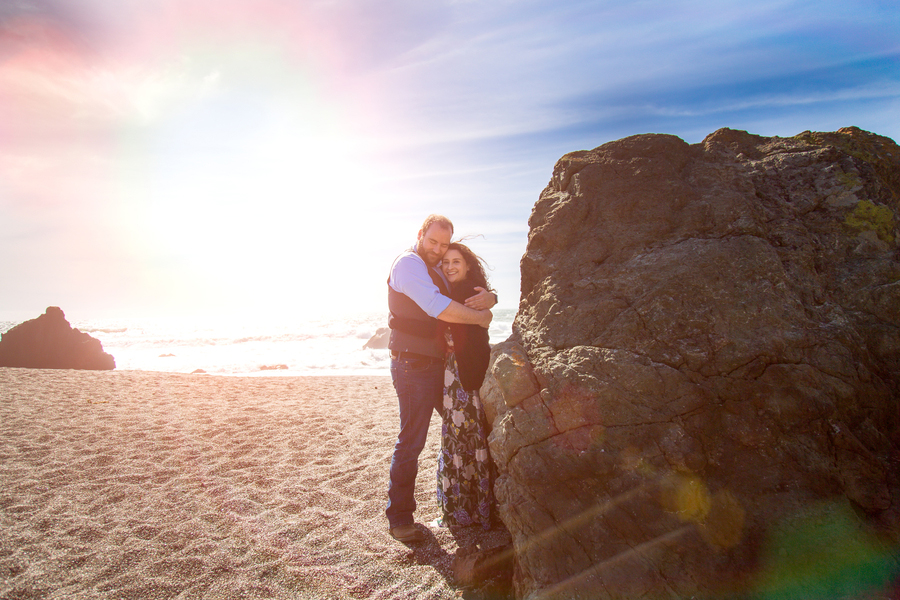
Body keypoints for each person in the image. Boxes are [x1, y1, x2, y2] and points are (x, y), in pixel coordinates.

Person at [386, 215, 496, 543]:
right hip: (412, 366)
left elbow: (464, 289)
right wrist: (482, 318)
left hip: (441, 368)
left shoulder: (436, 269)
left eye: (444, 244)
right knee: (412, 440)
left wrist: (491, 300)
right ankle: (400, 518)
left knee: (464, 431)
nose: (437, 249)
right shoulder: (408, 264)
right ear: (420, 235)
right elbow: (437, 306)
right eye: (432, 241)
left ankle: (476, 502)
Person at [436, 242, 496, 530]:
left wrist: (491, 301)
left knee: (465, 436)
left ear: (468, 264)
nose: (449, 267)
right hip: (454, 373)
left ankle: (466, 510)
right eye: (445, 262)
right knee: (463, 436)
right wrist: (493, 300)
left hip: (465, 372)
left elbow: (479, 321)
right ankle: (473, 508)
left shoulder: (468, 292)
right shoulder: (455, 291)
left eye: (456, 261)